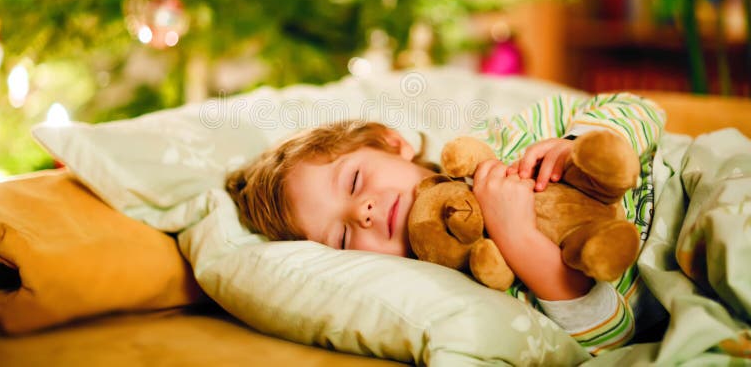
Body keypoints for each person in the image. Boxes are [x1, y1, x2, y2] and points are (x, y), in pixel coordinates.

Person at [227, 92, 666, 355]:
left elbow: (639, 109)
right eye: (342, 236)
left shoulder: (499, 141)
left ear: (391, 143)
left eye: (356, 180)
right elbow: (614, 339)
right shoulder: (471, 283)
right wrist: (518, 239)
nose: (363, 212)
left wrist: (575, 145)